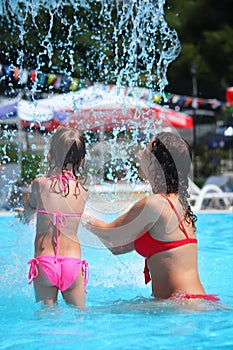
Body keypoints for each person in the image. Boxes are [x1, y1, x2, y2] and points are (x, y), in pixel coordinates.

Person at [84, 131, 219, 302]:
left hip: (182, 305)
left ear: (158, 164)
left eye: (146, 150)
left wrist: (78, 216)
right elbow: (117, 247)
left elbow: (112, 234)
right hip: (189, 303)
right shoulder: (176, 205)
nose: (140, 153)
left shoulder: (156, 204)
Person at [16, 126, 89, 308]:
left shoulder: (40, 184)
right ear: (83, 158)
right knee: (80, 316)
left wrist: (25, 215)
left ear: (51, 154)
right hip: (73, 263)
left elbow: (31, 209)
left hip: (45, 260)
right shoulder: (83, 191)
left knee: (46, 317)